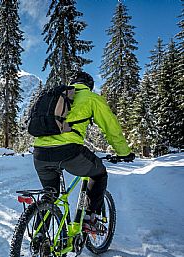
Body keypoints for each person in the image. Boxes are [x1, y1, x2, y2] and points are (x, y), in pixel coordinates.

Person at [32, 71, 135, 233]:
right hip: (68, 151)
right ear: (89, 86)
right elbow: (111, 128)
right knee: (99, 173)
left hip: (39, 153)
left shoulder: (57, 96)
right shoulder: (91, 98)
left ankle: (39, 236)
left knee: (50, 195)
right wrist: (123, 152)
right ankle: (90, 219)